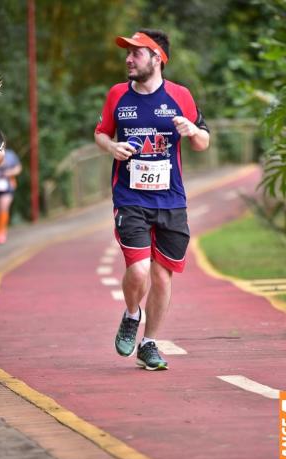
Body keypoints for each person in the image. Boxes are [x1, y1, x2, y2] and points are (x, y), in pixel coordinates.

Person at [94, 29, 210, 371]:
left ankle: (149, 343)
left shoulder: (180, 96)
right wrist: (112, 147)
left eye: (136, 53)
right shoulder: (118, 95)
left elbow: (203, 141)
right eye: (127, 53)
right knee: (139, 268)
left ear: (157, 58)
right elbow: (100, 133)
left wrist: (193, 131)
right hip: (129, 198)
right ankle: (132, 314)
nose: (129, 59)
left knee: (162, 277)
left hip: (171, 200)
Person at [0, 141, 22, 244]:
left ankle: (1, 231)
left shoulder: (10, 155)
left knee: (3, 206)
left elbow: (18, 168)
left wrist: (9, 172)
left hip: (6, 187)